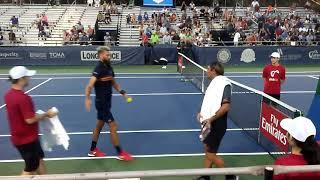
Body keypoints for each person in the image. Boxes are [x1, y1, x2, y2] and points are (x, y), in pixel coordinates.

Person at [4, 66, 57, 175]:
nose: (29, 78)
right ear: (22, 79)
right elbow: (29, 119)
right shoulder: (23, 98)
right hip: (26, 140)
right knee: (31, 166)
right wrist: (47, 114)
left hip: (26, 137)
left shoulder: (8, 95)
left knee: (39, 159)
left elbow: (23, 116)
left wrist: (38, 115)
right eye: (27, 76)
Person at [85, 46, 133, 161]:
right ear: (101, 55)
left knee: (99, 126)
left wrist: (123, 93)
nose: (109, 56)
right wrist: (87, 98)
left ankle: (92, 150)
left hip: (107, 102)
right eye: (107, 55)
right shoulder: (98, 69)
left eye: (109, 55)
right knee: (113, 125)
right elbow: (89, 85)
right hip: (101, 104)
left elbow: (114, 84)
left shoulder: (109, 68)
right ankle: (120, 153)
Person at [196, 62, 233, 180]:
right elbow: (210, 102)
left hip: (216, 124)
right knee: (208, 149)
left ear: (213, 70)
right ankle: (205, 176)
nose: (206, 71)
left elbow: (226, 107)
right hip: (209, 123)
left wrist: (210, 119)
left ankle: (231, 175)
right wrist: (202, 113)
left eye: (208, 69)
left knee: (210, 154)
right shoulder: (214, 83)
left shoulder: (224, 84)